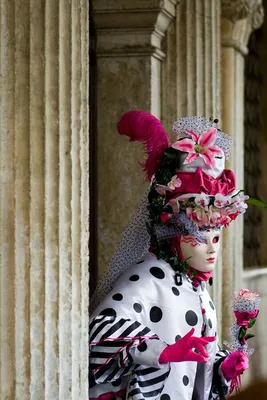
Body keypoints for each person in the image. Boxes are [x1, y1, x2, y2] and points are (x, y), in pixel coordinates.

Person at [89, 112, 249, 400]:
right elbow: (99, 334)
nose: (212, 249)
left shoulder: (195, 285)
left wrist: (222, 369)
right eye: (199, 238)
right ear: (175, 233)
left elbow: (193, 369)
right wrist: (161, 352)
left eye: (215, 237)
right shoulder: (149, 279)